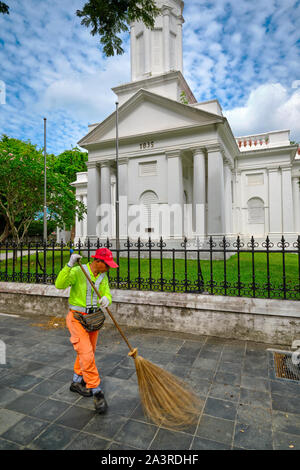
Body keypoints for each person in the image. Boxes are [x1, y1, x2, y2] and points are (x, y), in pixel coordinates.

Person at [55, 247, 119, 414]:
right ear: (98, 261)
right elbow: (59, 285)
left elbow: (107, 294)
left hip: (93, 320)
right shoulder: (78, 271)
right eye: (107, 265)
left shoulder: (103, 276)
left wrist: (107, 299)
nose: (109, 268)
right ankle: (96, 390)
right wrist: (69, 265)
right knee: (87, 353)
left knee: (87, 352)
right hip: (77, 318)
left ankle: (76, 381)